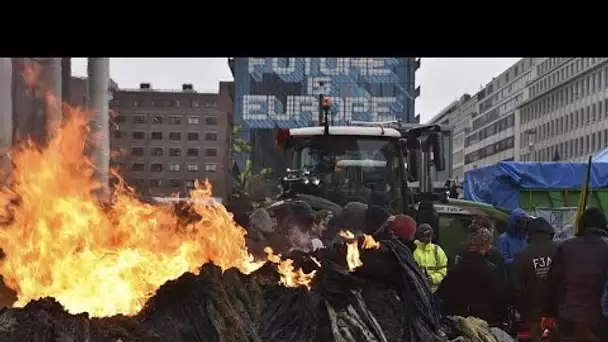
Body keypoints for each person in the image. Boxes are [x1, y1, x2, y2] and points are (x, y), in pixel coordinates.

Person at [543, 207, 608, 341]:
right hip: (599, 323)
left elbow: (552, 284)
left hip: (568, 320)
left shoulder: (565, 247)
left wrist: (550, 313)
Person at [437, 226, 508, 327]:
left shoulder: (455, 269)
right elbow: (499, 299)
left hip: (458, 323)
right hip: (482, 324)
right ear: (487, 246)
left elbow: (442, 293)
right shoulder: (491, 271)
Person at [512, 217, 558, 342]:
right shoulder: (560, 250)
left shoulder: (522, 255)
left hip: (533, 316)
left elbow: (517, 289)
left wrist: (524, 314)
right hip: (557, 316)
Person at [413, 224, 448, 292]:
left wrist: (433, 279)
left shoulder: (437, 250)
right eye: (425, 236)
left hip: (434, 292)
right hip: (418, 291)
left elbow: (443, 270)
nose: (428, 238)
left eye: (429, 236)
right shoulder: (412, 249)